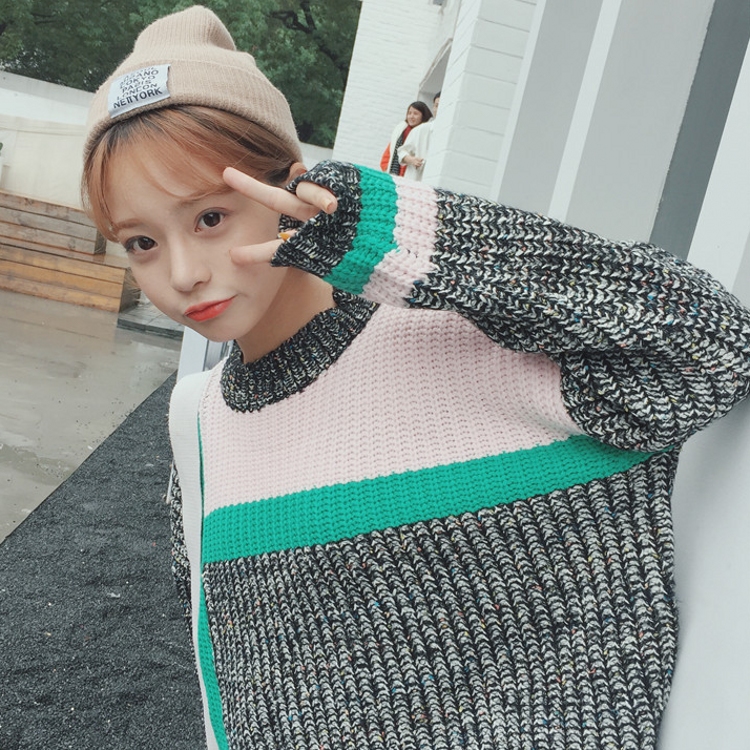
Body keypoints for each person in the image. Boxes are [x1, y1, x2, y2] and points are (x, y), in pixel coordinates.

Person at [81, 7, 750, 750]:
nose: (181, 274)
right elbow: (235, 685)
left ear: (292, 187)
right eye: (141, 241)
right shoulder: (199, 425)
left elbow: (710, 345)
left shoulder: (470, 346)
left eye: (210, 218)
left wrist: (395, 232)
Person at [380, 100, 432, 176]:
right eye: (409, 113)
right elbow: (387, 156)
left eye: (415, 113)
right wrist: (388, 169)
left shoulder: (425, 133)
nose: (411, 116)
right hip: (394, 176)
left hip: (413, 175)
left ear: (423, 116)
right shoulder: (400, 132)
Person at [398, 91, 440, 181]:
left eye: (415, 113)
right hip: (415, 180)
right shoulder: (419, 130)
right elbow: (401, 152)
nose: (411, 116)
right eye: (436, 105)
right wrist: (411, 160)